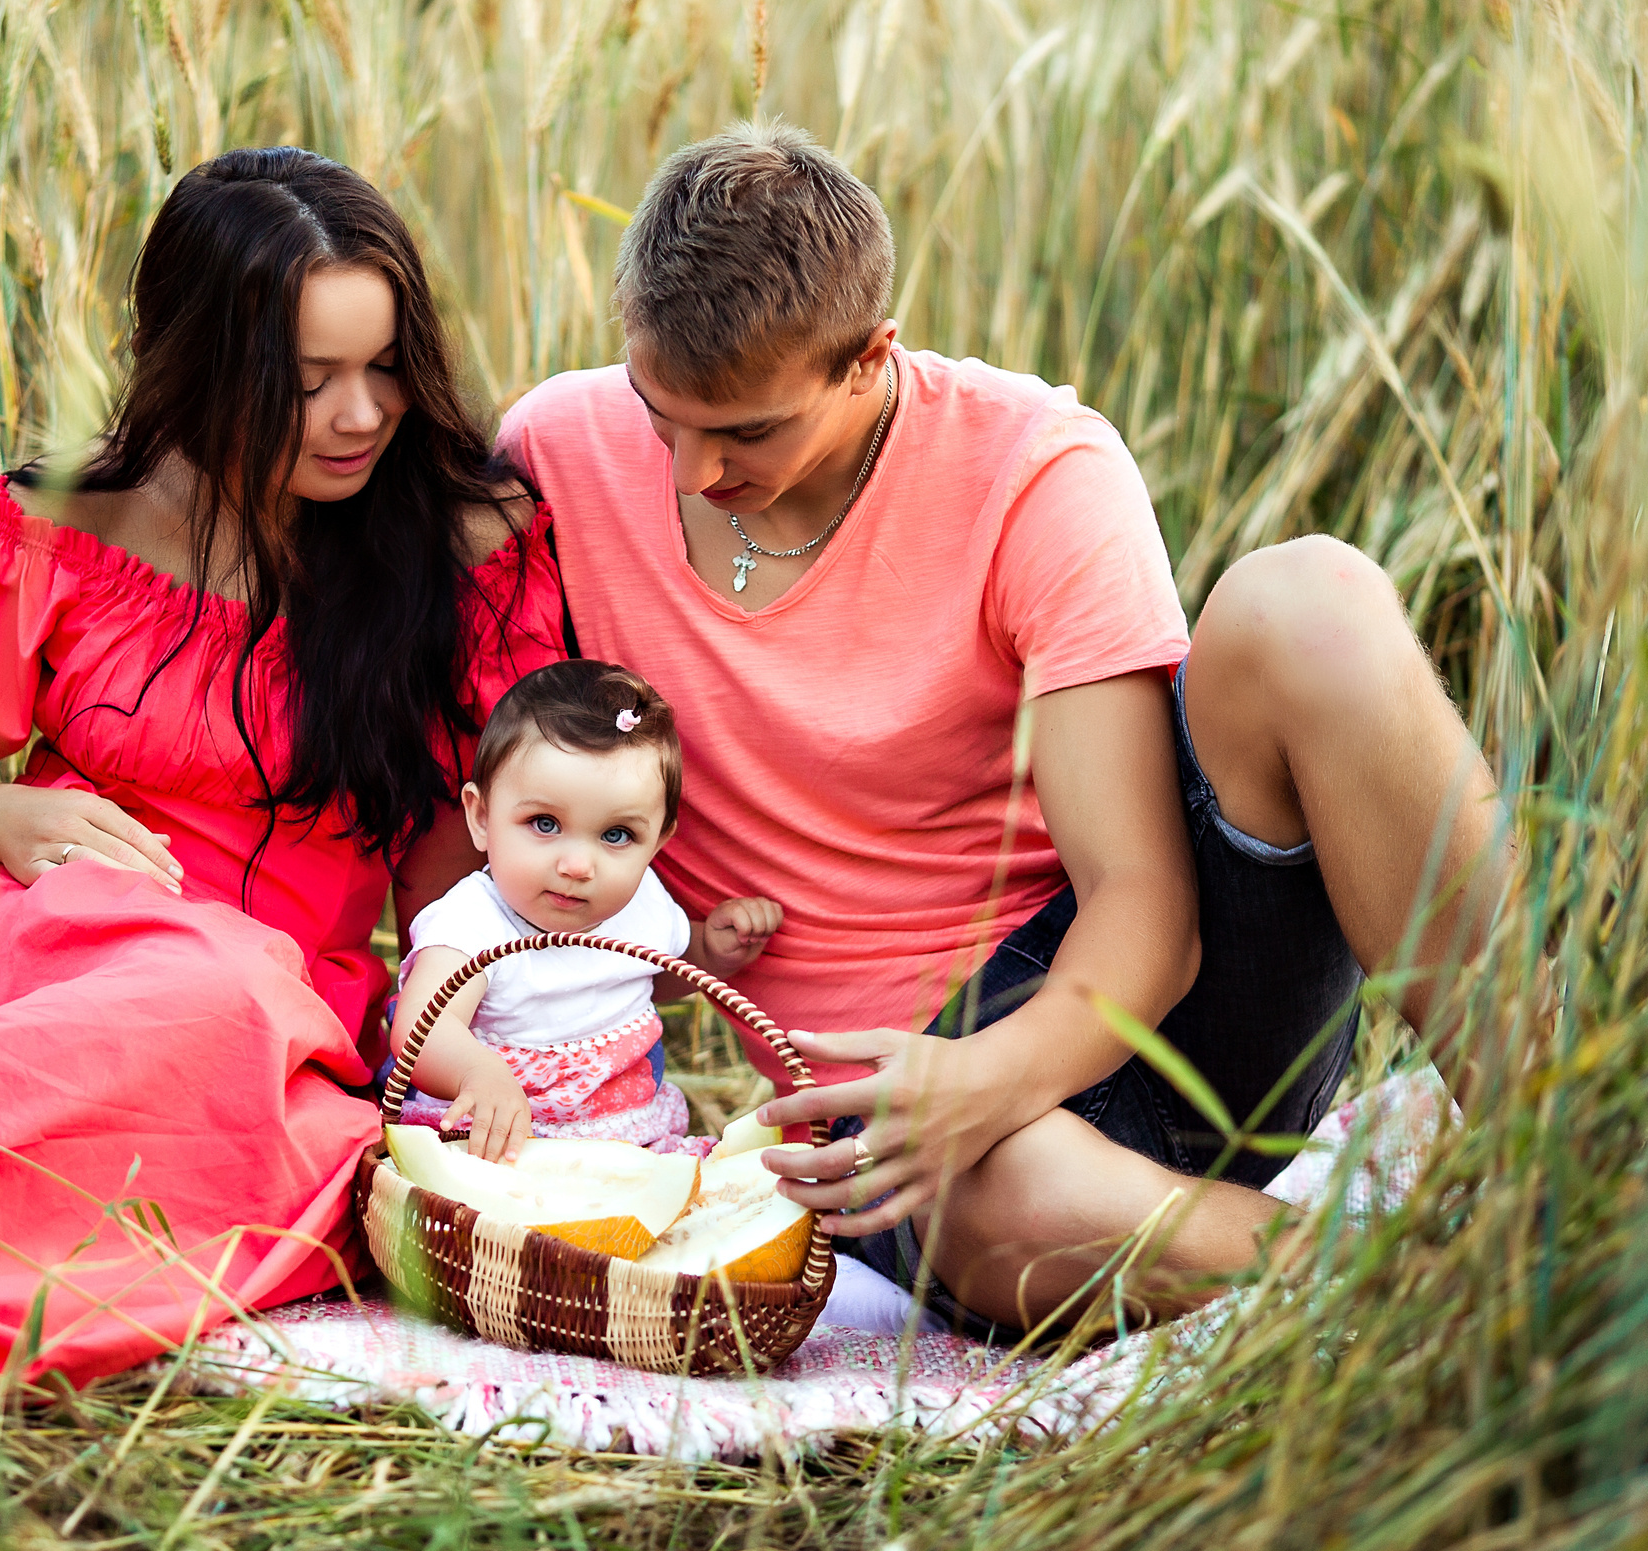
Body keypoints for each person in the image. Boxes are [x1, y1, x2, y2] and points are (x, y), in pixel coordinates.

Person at [496, 121, 1510, 1338]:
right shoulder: (557, 452)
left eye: (749, 433)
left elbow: (1144, 905)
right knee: (1004, 1196)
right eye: (664, 416)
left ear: (869, 358)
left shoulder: (1034, 467)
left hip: (1150, 1007)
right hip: (913, 1110)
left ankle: (1562, 1141)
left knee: (1312, 600)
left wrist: (981, 1081)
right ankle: (1405, 1277)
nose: (693, 473)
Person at [0, 148, 568, 1394]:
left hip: (280, 1006)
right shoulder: (50, 529)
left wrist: (446, 1042)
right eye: (307, 382)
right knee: (195, 991)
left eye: (387, 366)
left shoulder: (463, 549)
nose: (361, 414)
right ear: (198, 366)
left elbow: (461, 872)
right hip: (43, 938)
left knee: (239, 1011)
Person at [390, 660, 781, 1159]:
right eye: (545, 823)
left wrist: (712, 951)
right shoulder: (470, 925)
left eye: (616, 835)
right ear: (482, 816)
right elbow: (421, 1031)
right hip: (499, 1145)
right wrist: (477, 1072)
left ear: (658, 841)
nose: (577, 866)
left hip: (628, 1139)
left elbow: (650, 976)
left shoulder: (642, 903)